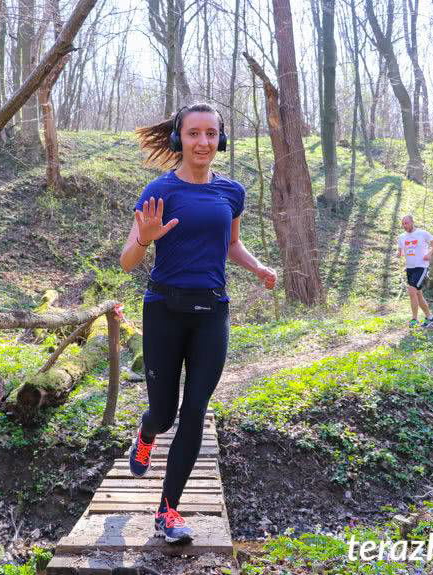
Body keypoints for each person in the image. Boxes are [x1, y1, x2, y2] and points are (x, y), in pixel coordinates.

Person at [119, 102, 276, 544]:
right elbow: (127, 261)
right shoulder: (159, 191)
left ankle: (168, 511)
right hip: (164, 311)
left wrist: (258, 267)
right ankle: (147, 431)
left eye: (211, 133)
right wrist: (144, 239)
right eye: (193, 133)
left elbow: (231, 243)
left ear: (220, 139)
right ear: (179, 138)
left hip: (212, 313)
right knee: (164, 414)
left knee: (195, 411)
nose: (203, 142)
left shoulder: (232, 192)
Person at [396, 215, 433, 327]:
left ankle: (414, 319)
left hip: (421, 267)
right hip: (409, 268)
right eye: (403, 224)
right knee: (418, 294)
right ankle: (430, 317)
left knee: (411, 290)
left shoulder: (422, 233)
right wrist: (398, 253)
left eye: (406, 223)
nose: (404, 225)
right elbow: (400, 250)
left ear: (412, 222)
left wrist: (429, 254)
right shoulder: (401, 237)